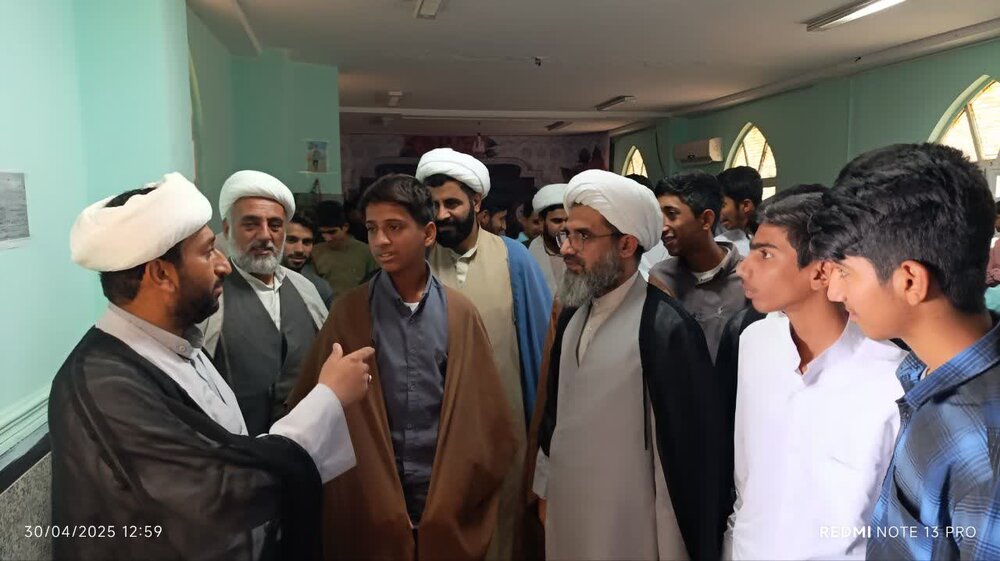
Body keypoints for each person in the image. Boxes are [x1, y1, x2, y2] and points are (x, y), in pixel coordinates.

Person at [50, 172, 373, 560]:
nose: (223, 265)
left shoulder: (178, 344)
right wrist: (329, 398)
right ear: (161, 274)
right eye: (207, 252)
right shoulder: (106, 382)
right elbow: (221, 494)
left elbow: (232, 448)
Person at [289, 174, 516, 561]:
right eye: (372, 228)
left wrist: (456, 496)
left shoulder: (459, 314)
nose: (380, 241)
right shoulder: (349, 313)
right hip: (369, 502)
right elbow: (315, 407)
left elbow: (488, 422)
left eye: (394, 227)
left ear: (427, 233)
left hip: (444, 499)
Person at [809, 143, 1000, 560]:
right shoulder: (925, 375)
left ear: (910, 280)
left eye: (844, 272)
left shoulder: (983, 446)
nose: (834, 291)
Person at [533, 170, 730, 561]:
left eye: (583, 236)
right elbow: (555, 413)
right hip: (569, 507)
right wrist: (544, 487)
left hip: (631, 524)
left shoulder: (665, 327)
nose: (567, 248)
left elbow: (687, 455)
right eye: (566, 234)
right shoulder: (573, 315)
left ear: (626, 244)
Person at [725, 191, 905, 559]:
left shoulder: (892, 377)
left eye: (765, 254)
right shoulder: (755, 343)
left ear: (821, 271)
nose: (743, 268)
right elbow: (747, 477)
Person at [417, 147, 552, 561]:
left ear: (477, 203)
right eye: (433, 205)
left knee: (504, 526)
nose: (441, 215)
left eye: (452, 203)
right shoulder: (417, 260)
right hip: (435, 427)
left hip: (504, 424)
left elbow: (540, 350)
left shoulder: (514, 259)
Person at [197, 171, 328, 436]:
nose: (265, 236)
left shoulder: (306, 290)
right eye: (251, 224)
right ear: (227, 229)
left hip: (305, 444)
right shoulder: (207, 293)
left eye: (275, 226)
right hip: (235, 448)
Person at [648, 171, 746, 361]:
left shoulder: (747, 275)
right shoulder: (662, 278)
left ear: (706, 220)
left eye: (672, 214)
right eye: (659, 217)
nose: (662, 227)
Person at [311, 200, 379, 296]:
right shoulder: (314, 252)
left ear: (345, 227)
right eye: (322, 233)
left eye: (332, 232)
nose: (327, 238)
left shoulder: (367, 252)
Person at [283, 212, 335, 308]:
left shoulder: (320, 288)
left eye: (306, 242)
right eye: (291, 240)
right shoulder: (260, 283)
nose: (300, 250)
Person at [527, 183, 568, 296]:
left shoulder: (584, 250)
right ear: (541, 222)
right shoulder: (526, 252)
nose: (564, 226)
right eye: (557, 221)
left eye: (568, 220)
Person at [715, 166, 763, 257]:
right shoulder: (721, 240)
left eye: (722, 205)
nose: (717, 211)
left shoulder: (768, 241)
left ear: (746, 206)